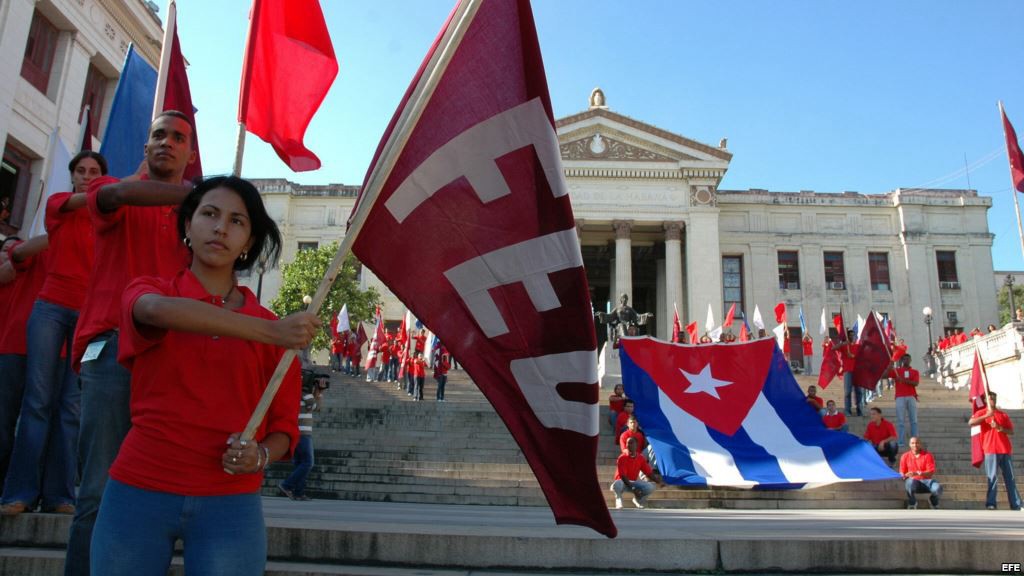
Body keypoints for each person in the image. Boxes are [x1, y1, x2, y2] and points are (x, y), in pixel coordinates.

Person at [88, 176, 320, 575]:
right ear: (187, 226)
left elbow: (284, 431)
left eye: (237, 221)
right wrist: (271, 332)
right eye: (209, 214)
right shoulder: (150, 290)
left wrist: (260, 455)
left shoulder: (274, 330)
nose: (220, 228)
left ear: (248, 242)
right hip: (138, 487)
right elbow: (156, 313)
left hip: (231, 500)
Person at [65, 111, 199, 575]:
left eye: (178, 137)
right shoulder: (109, 189)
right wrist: (199, 195)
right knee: (98, 488)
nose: (167, 142)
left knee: (159, 487)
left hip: (173, 356)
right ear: (145, 148)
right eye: (158, 135)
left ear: (190, 152)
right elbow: (122, 193)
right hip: (110, 348)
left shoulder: (199, 218)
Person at [1, 152, 106, 517]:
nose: (87, 176)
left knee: (71, 408)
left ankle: (61, 495)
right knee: (37, 402)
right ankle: (18, 493)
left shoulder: (108, 218)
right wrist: (107, 191)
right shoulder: (60, 204)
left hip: (87, 312)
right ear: (72, 175)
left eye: (95, 172)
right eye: (81, 171)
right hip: (49, 309)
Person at [0, 235, 51, 487]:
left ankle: (24, 484)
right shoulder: (30, 258)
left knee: (38, 415)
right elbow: (13, 261)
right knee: (5, 418)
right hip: (13, 347)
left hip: (51, 350)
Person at [968, 392, 1021, 510]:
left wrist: (1000, 428)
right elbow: (971, 422)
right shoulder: (981, 413)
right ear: (986, 400)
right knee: (992, 477)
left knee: (1010, 477)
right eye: (990, 398)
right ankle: (991, 503)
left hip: (1005, 449)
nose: (993, 400)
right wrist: (986, 416)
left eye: (994, 398)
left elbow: (1011, 431)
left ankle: (1016, 504)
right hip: (990, 449)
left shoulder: (1003, 415)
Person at [280, 372, 326, 502]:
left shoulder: (293, 393)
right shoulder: (306, 395)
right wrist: (319, 393)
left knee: (299, 463)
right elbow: (316, 407)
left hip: (294, 433)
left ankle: (298, 492)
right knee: (308, 463)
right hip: (303, 434)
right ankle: (286, 485)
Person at [611, 437, 661, 509]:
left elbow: (649, 473)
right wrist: (634, 488)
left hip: (632, 482)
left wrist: (658, 481)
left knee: (651, 486)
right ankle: (618, 500)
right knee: (617, 484)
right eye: (627, 443)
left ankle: (638, 500)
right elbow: (623, 477)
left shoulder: (640, 458)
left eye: (631, 443)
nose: (628, 445)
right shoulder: (622, 457)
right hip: (622, 482)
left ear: (636, 445)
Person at [900, 437, 941, 509]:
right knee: (909, 482)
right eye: (912, 443)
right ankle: (912, 503)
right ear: (909, 445)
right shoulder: (905, 456)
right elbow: (902, 472)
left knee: (938, 488)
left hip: (926, 481)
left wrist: (919, 473)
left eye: (917, 443)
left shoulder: (927, 455)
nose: (915, 445)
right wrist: (905, 475)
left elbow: (931, 472)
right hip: (913, 482)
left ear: (920, 444)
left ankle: (933, 500)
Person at [891, 354, 919, 448]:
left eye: (908, 359)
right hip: (900, 397)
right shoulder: (897, 371)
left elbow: (915, 383)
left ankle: (915, 440)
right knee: (900, 421)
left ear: (910, 360)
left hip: (911, 396)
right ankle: (901, 441)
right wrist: (889, 366)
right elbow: (884, 375)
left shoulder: (914, 372)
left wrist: (902, 380)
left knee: (914, 420)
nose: (906, 360)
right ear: (902, 360)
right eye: (904, 359)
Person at [838, 330, 862, 416]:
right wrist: (843, 343)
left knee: (859, 391)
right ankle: (847, 410)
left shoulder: (857, 346)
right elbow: (833, 348)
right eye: (850, 335)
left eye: (853, 335)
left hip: (857, 371)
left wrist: (853, 356)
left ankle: (859, 409)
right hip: (848, 371)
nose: (852, 337)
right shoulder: (844, 346)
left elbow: (862, 356)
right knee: (847, 392)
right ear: (847, 337)